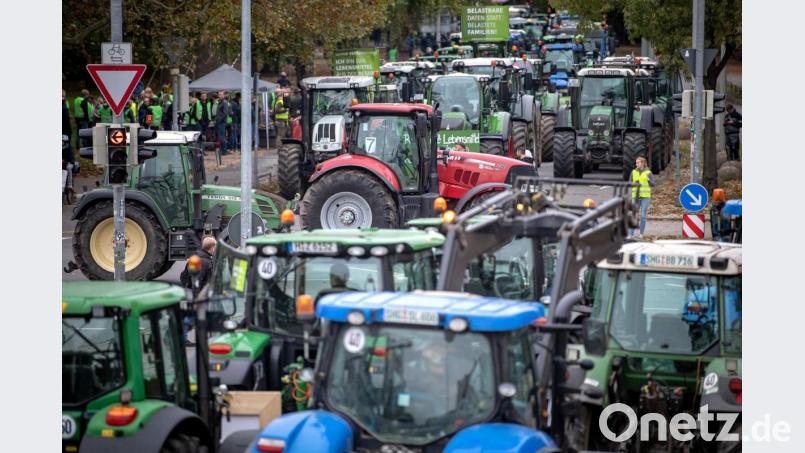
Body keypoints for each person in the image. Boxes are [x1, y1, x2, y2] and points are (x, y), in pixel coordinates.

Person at [630, 156, 655, 238]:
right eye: (636, 163)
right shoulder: (633, 172)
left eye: (638, 162)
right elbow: (629, 183)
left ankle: (641, 233)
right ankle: (631, 234)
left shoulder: (648, 172)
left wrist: (648, 180)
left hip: (645, 197)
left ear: (643, 163)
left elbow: (653, 184)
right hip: (636, 197)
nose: (636, 164)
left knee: (643, 215)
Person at [214, 91, 232, 156]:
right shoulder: (220, 102)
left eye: (221, 95)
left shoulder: (224, 102)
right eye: (219, 95)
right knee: (220, 136)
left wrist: (219, 119)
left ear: (224, 95)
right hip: (219, 122)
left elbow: (225, 113)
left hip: (221, 122)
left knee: (221, 136)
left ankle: (224, 151)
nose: (220, 96)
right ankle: (223, 150)